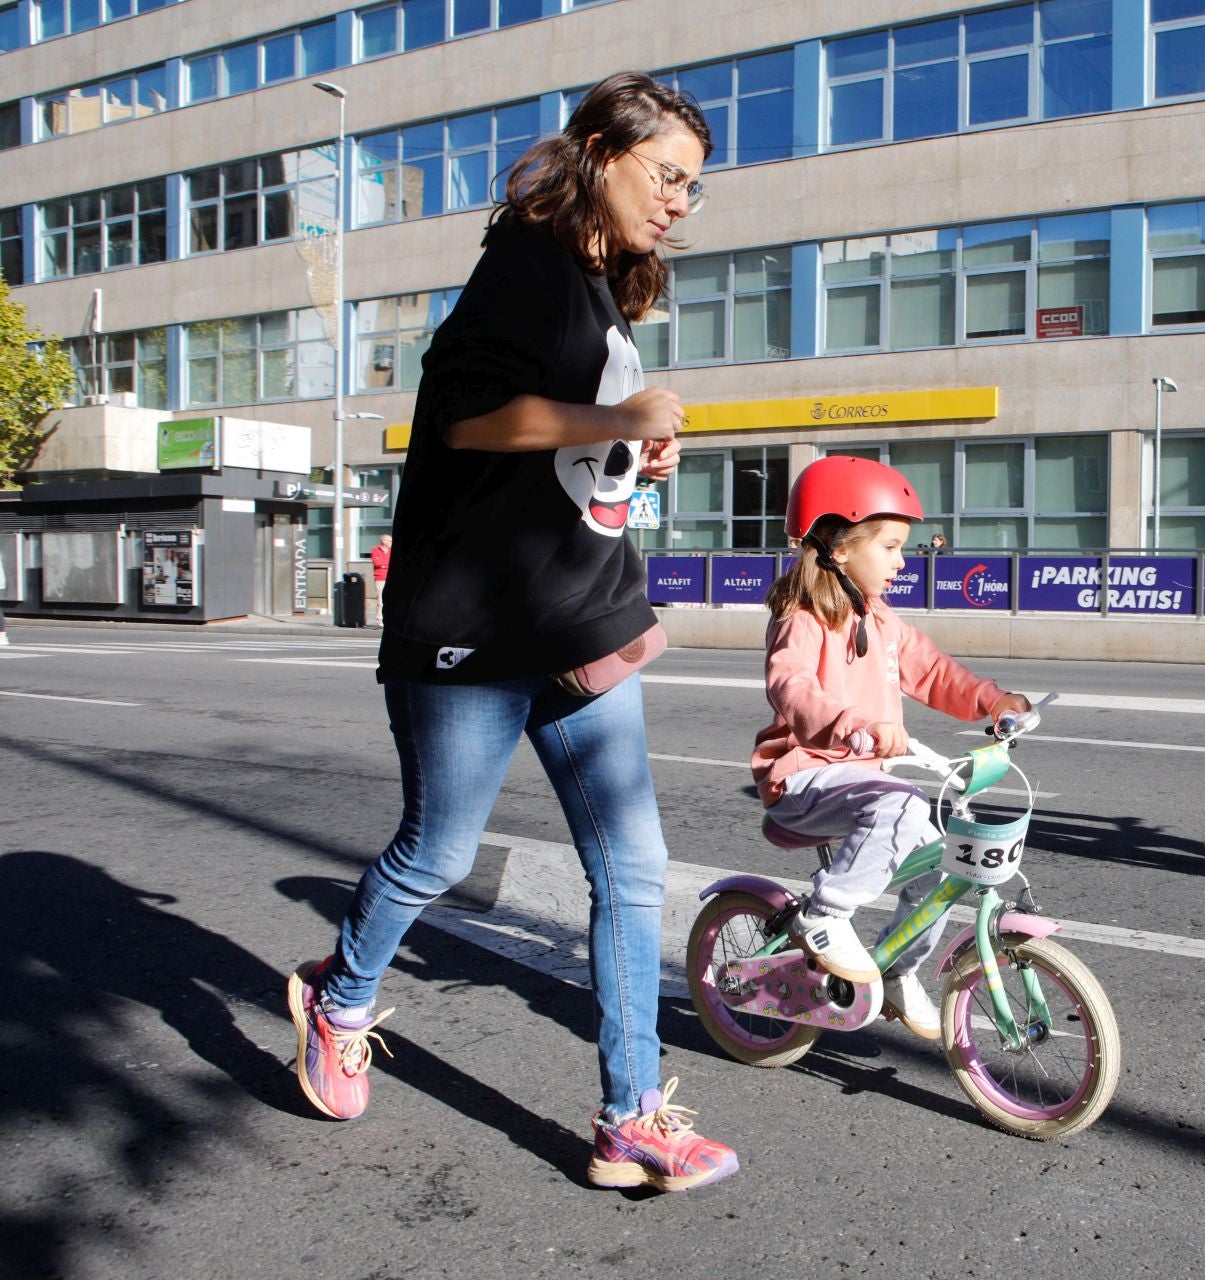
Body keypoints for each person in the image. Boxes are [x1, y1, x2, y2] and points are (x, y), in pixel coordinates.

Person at [285, 71, 738, 1193]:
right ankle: (336, 1000)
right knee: (438, 852)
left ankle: (632, 1115)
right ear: (598, 150)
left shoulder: (598, 285)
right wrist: (614, 418)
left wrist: (634, 447)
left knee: (635, 872)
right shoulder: (529, 264)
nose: (682, 200)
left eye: (693, 186)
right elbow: (462, 419)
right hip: (475, 629)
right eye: (667, 174)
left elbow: (569, 448)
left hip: (579, 613)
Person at [751, 457, 1030, 1038]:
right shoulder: (800, 617)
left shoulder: (879, 619)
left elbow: (933, 672)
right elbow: (791, 686)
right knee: (903, 805)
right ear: (840, 546)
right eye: (891, 546)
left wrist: (993, 701)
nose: (904, 561)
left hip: (861, 782)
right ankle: (824, 915)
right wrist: (852, 723)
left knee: (946, 853)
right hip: (803, 777)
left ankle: (898, 968)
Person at [368, 533, 393, 627]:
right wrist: (386, 565)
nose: (391, 542)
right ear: (384, 541)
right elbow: (377, 563)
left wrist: (384, 565)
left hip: (390, 578)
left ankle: (390, 620)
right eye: (390, 541)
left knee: (391, 600)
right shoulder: (375, 550)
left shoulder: (392, 551)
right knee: (381, 601)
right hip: (380, 578)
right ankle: (380, 621)